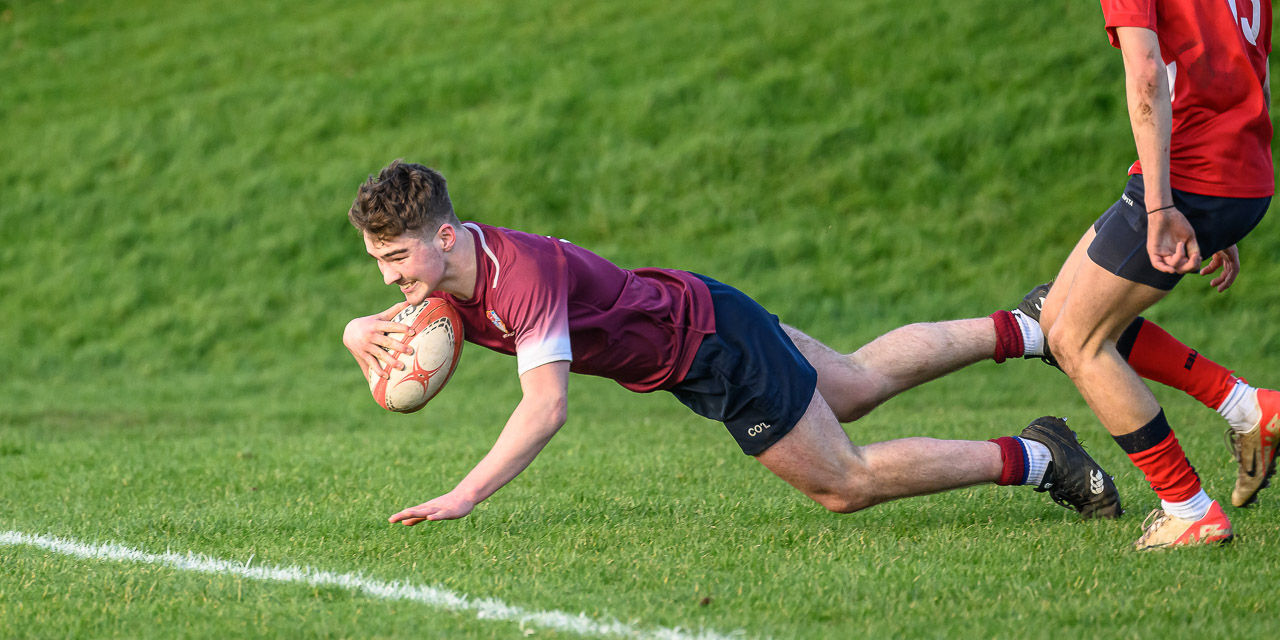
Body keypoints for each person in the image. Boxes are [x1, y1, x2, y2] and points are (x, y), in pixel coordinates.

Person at [341, 160, 1122, 527]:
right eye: (378, 259)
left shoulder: (523, 278)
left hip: (709, 351)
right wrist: (352, 333)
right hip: (702, 307)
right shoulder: (444, 276)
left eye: (397, 257)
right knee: (850, 384)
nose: (387, 278)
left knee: (841, 483)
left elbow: (546, 408)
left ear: (444, 234)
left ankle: (1041, 456)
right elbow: (393, 326)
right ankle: (1030, 326)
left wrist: (466, 492)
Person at [1029, 0, 1273, 549]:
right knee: (1060, 313)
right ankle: (1249, 408)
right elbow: (1240, 66)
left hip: (1189, 178)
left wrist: (1163, 208)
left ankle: (1188, 509)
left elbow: (1145, 74)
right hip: (1236, 172)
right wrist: (1222, 208)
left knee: (1076, 339)